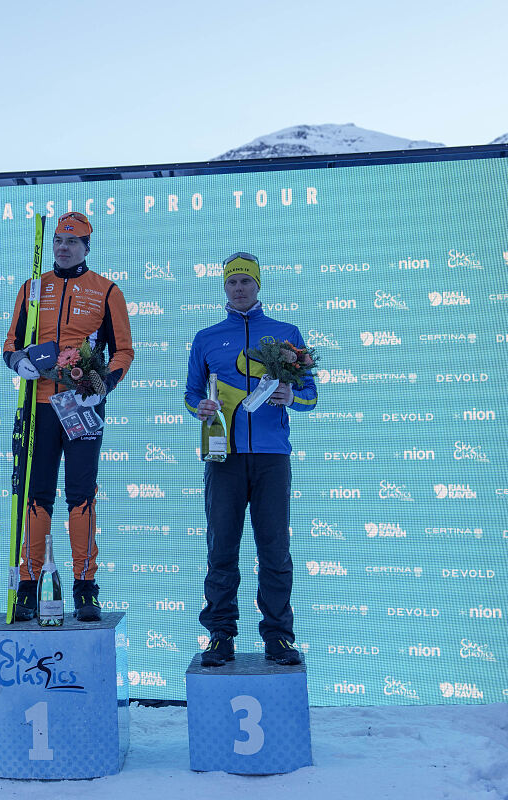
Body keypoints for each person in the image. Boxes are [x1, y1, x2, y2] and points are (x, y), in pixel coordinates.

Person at [184, 252, 317, 667]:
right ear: (224, 288)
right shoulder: (207, 338)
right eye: (232, 282)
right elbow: (190, 395)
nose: (239, 288)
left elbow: (310, 396)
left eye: (246, 281)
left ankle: (278, 637)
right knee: (221, 549)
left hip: (271, 458)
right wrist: (201, 409)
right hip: (223, 457)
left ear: (258, 286)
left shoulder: (284, 333)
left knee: (274, 550)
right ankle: (220, 636)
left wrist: (291, 396)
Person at [3, 211, 134, 622]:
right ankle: (28, 585)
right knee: (35, 495)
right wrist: (17, 362)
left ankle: (85, 587)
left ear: (86, 247)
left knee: (81, 494)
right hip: (38, 408)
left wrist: (102, 387)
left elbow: (123, 351)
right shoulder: (32, 288)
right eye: (58, 240)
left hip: (82, 407)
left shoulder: (106, 290)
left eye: (72, 242)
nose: (63, 247)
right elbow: (10, 343)